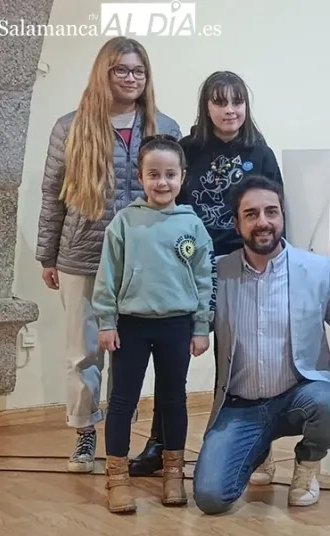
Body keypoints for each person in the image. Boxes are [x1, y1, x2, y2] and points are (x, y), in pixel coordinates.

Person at [35, 36, 181, 473]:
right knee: (82, 353)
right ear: (104, 72)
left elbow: (175, 197)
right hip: (82, 254)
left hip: (142, 261)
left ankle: (120, 437)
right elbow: (52, 194)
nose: (131, 78)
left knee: (128, 355)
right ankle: (84, 433)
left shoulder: (164, 127)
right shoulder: (70, 127)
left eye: (139, 70)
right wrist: (47, 255)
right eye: (122, 69)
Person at [129, 70, 284, 480]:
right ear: (207, 106)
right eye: (220, 102)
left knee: (241, 364)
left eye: (237, 101)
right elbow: (164, 208)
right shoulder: (187, 149)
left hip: (241, 269)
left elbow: (274, 216)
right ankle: (161, 444)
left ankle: (252, 449)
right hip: (185, 269)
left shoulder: (261, 153)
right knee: (172, 361)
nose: (230, 110)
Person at [192, 175, 330, 515]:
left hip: (298, 396)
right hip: (240, 405)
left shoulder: (319, 270)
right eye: (251, 214)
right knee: (210, 497)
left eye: (271, 212)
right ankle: (257, 449)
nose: (263, 221)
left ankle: (308, 463)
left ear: (282, 216)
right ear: (236, 224)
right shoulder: (217, 273)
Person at [92, 135, 216, 513]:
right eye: (154, 174)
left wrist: (200, 326)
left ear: (182, 177)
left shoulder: (192, 225)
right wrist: (106, 321)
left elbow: (204, 280)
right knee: (122, 400)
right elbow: (107, 276)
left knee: (173, 399)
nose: (162, 182)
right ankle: (117, 478)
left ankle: (173, 473)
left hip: (176, 326)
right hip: (131, 325)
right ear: (140, 177)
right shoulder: (124, 222)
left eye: (170, 174)